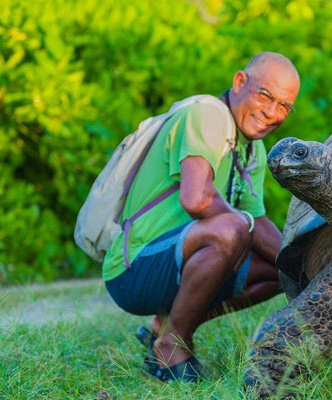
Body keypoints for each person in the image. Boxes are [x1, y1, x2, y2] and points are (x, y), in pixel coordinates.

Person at [101, 52, 300, 382]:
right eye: (265, 95)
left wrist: (303, 265)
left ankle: (165, 327)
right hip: (133, 269)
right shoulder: (207, 115)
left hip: (179, 262)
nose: (272, 112)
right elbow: (196, 199)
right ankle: (170, 345)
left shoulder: (252, 149)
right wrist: (242, 229)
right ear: (239, 82)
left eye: (284, 106)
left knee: (281, 270)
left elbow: (257, 221)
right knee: (231, 230)